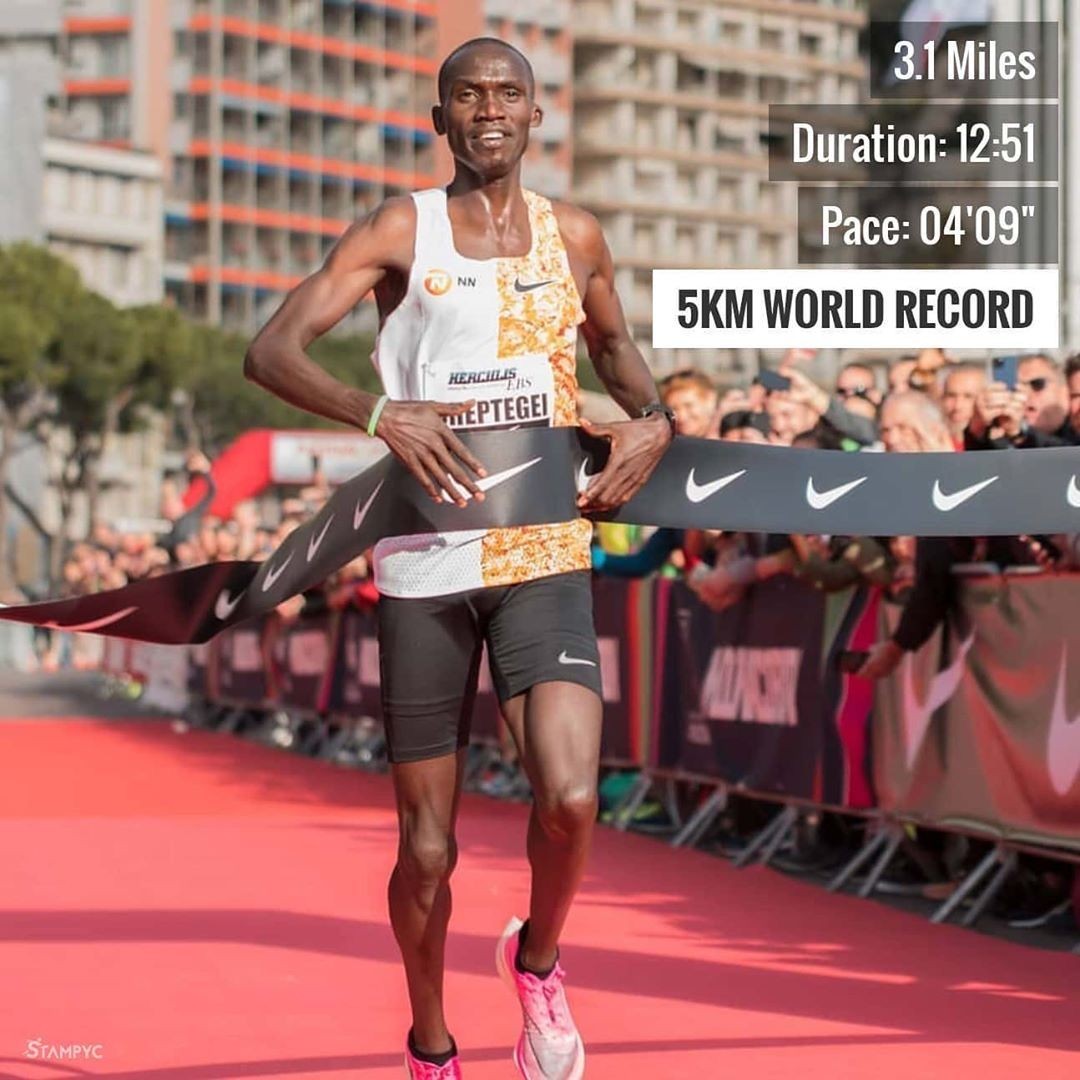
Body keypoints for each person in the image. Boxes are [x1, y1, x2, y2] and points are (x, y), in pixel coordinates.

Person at [242, 37, 674, 1079]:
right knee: (428, 852)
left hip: (541, 548)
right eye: (468, 96)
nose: (489, 109)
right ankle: (431, 1043)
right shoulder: (402, 228)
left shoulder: (576, 235)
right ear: (440, 119)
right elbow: (270, 350)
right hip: (426, 562)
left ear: (536, 114)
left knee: (570, 798)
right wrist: (376, 411)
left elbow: (613, 349)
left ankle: (538, 964)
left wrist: (655, 420)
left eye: (508, 93)